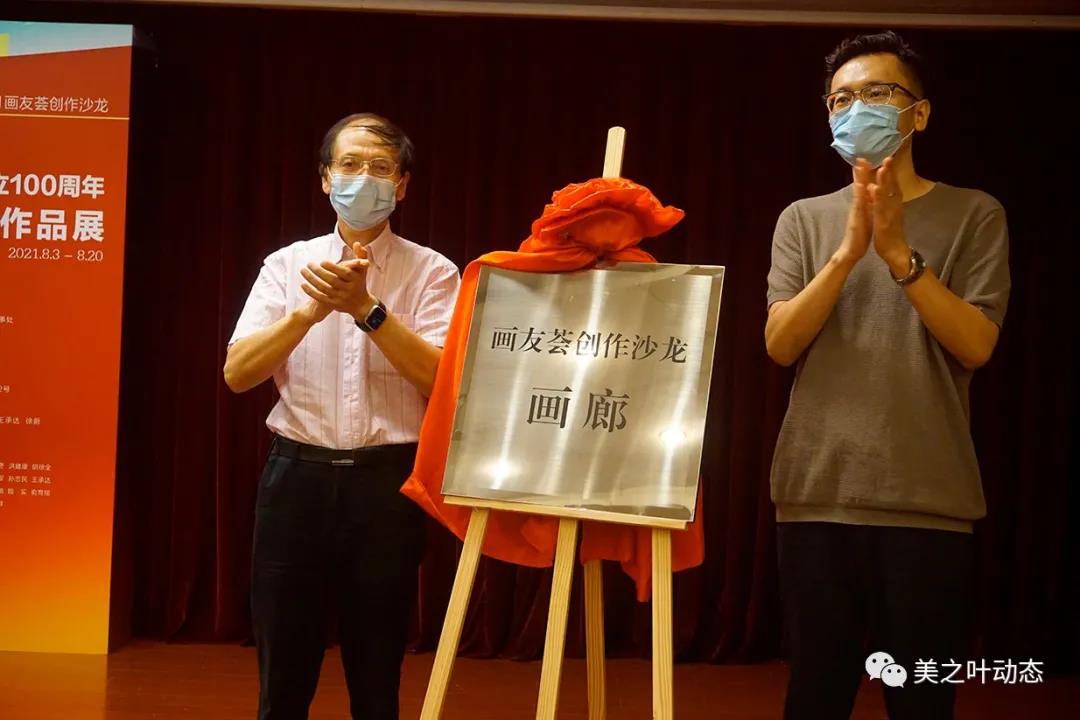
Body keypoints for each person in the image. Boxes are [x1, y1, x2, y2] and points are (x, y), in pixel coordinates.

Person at [765, 31, 1010, 720]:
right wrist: (848, 253)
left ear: (918, 113)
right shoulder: (802, 220)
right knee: (815, 694)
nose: (856, 109)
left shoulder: (974, 213)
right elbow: (780, 344)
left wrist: (899, 254)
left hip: (928, 498)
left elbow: (976, 345)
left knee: (921, 700)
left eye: (877, 93)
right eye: (840, 99)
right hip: (816, 493)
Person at [223, 113, 460, 720]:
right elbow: (238, 373)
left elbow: (443, 383)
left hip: (387, 485)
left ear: (401, 186)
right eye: (349, 165)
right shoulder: (287, 264)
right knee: (283, 674)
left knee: (377, 673)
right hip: (294, 481)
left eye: (380, 168)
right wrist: (307, 312)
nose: (363, 179)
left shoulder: (433, 272)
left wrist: (366, 309)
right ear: (326, 178)